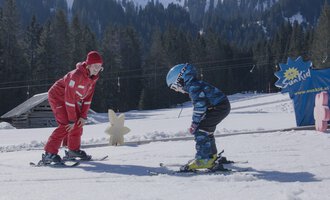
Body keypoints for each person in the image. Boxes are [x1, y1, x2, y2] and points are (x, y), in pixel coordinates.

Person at [41, 51, 103, 164]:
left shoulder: (93, 78)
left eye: (99, 66)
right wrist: (71, 119)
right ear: (88, 65)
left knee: (79, 122)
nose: (97, 69)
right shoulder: (76, 75)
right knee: (66, 124)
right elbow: (68, 98)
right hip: (57, 97)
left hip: (71, 100)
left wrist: (83, 116)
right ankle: (49, 154)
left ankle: (73, 150)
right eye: (95, 66)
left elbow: (88, 98)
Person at [166, 63, 231, 171]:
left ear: (181, 79)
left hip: (219, 108)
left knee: (200, 130)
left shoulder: (193, 87)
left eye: (175, 87)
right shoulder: (195, 85)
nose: (177, 90)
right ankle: (211, 156)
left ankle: (204, 160)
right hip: (221, 106)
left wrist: (194, 123)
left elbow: (200, 107)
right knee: (206, 130)